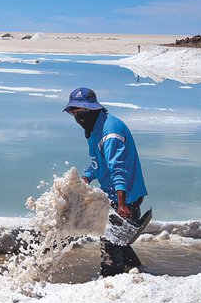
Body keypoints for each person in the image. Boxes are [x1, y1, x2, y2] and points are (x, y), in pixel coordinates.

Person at [63, 86, 151, 277]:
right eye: (72, 112)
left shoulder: (110, 132)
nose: (77, 117)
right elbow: (99, 161)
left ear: (92, 109)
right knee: (119, 240)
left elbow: (118, 168)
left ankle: (109, 281)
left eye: (80, 112)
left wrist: (122, 204)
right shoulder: (94, 128)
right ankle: (139, 272)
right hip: (115, 194)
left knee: (109, 242)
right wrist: (86, 177)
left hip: (126, 196)